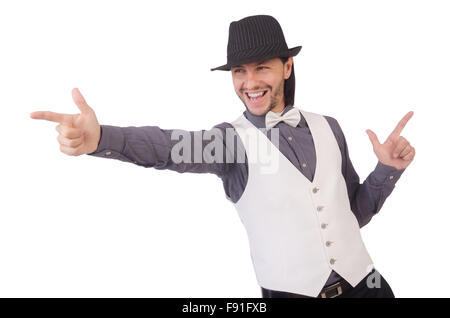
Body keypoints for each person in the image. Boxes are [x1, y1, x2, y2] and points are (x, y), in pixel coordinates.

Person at [30, 15, 415, 298]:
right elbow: (167, 146)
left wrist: (388, 170)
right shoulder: (231, 141)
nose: (249, 83)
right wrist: (101, 137)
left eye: (262, 67)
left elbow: (352, 214)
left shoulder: (329, 126)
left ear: (287, 66)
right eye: (239, 71)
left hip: (370, 284)